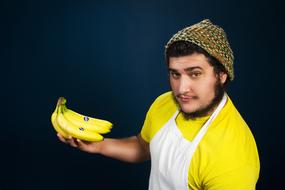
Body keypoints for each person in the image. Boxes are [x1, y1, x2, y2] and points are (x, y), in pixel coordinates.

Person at [57, 19, 260, 189]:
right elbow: (144, 147)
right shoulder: (165, 103)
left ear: (221, 75)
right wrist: (99, 146)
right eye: (175, 74)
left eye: (195, 74)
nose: (181, 89)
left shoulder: (233, 158)